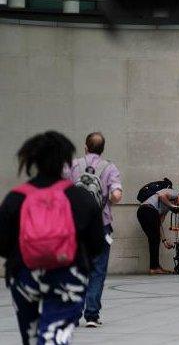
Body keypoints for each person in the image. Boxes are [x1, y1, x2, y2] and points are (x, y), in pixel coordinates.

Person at [0, 131, 104, 345]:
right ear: (65, 161)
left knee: (31, 336)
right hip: (68, 275)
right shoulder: (81, 198)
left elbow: (2, 244)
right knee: (54, 336)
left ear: (32, 160)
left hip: (24, 276)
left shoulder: (15, 198)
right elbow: (97, 245)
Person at [65, 132, 122, 328]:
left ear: (86, 147)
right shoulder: (110, 167)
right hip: (101, 225)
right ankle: (91, 315)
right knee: (97, 271)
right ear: (102, 148)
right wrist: (112, 196)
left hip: (75, 226)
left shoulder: (73, 165)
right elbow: (116, 194)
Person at [137, 187, 179, 274]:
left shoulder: (167, 208)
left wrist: (164, 241)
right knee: (154, 239)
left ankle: (155, 267)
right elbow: (161, 195)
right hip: (148, 209)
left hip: (142, 212)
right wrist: (172, 206)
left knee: (154, 239)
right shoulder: (174, 193)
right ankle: (154, 267)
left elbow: (159, 223)